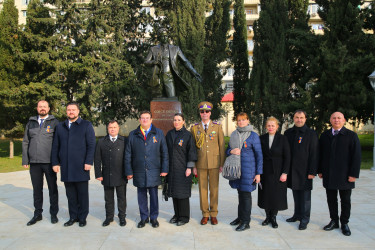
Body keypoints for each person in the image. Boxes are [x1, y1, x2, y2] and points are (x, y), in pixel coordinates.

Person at [51, 102, 96, 227]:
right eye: (69, 110)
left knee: (82, 194)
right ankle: (73, 217)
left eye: (73, 110)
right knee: (70, 194)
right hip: (66, 166)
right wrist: (55, 162)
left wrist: (88, 161)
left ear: (78, 111)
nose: (71, 112)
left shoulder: (86, 125)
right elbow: (55, 146)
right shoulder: (60, 126)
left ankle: (82, 217)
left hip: (81, 165)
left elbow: (91, 145)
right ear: (66, 112)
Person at [318, 112, 361, 236]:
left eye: (339, 118)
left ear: (344, 120)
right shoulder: (325, 135)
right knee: (331, 199)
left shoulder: (351, 135)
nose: (336, 120)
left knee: (345, 200)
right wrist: (320, 170)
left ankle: (344, 223)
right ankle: (334, 221)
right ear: (330, 120)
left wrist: (353, 174)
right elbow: (321, 155)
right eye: (334, 118)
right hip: (329, 174)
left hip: (345, 174)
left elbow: (356, 157)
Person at [125, 111, 169, 228]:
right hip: (139, 170)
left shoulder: (158, 133)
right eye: (142, 118)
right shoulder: (133, 134)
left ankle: (154, 218)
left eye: (147, 118)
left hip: (153, 170)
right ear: (139, 120)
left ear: (151, 120)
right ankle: (144, 218)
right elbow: (128, 154)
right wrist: (129, 171)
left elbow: (164, 152)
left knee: (154, 195)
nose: (145, 120)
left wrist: (164, 169)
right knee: (141, 196)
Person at [22, 100, 59, 226]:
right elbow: (25, 141)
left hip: (49, 162)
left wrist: (57, 162)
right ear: (37, 108)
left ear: (48, 108)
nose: (42, 108)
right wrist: (25, 159)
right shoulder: (31, 123)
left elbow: (58, 143)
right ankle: (37, 214)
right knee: (37, 190)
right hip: (34, 163)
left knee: (52, 189)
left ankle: (54, 214)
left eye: (44, 106)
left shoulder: (54, 122)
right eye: (40, 106)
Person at [226, 112, 263, 231]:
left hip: (249, 171)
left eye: (243, 120)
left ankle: (246, 221)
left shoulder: (253, 136)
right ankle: (240, 217)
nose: (241, 122)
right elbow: (227, 150)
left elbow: (259, 155)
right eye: (239, 120)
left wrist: (258, 173)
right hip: (236, 170)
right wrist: (231, 151)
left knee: (246, 196)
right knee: (240, 194)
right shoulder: (233, 134)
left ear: (248, 121)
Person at [191, 101, 225, 225]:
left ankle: (214, 213)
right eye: (202, 111)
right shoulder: (194, 128)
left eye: (207, 111)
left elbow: (221, 146)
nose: (204, 113)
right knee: (202, 190)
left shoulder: (217, 126)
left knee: (214, 189)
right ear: (200, 113)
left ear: (210, 113)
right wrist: (194, 165)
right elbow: (193, 148)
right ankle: (205, 214)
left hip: (215, 163)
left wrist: (222, 163)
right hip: (200, 164)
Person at [284, 110, 319, 230]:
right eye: (297, 117)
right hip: (292, 171)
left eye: (301, 118)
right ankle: (297, 215)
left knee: (305, 197)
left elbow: (314, 153)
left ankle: (304, 219)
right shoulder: (288, 133)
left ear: (305, 119)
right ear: (293, 118)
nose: (299, 120)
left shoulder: (311, 133)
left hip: (305, 171)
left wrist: (312, 171)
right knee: (295, 194)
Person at [145, 28, 202, 98]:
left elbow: (185, 62)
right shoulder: (153, 49)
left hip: (169, 76)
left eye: (166, 36)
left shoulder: (175, 49)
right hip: (157, 77)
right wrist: (153, 62)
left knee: (172, 99)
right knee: (158, 101)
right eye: (163, 36)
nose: (165, 37)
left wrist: (194, 73)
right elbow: (146, 62)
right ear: (159, 37)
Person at [258, 117, 290, 229]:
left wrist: (285, 173)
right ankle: (267, 217)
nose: (271, 127)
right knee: (266, 194)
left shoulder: (283, 139)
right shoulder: (261, 138)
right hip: (265, 171)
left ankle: (274, 217)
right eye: (269, 125)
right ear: (266, 127)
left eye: (273, 125)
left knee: (276, 195)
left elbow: (287, 157)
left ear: (277, 127)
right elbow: (258, 155)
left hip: (278, 171)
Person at [165, 113, 197, 226]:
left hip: (183, 169)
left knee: (182, 194)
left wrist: (189, 167)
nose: (176, 122)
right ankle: (177, 214)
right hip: (172, 169)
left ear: (183, 121)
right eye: (174, 120)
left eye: (179, 120)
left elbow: (192, 152)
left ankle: (184, 217)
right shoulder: (169, 134)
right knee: (174, 193)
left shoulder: (187, 135)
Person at [94, 120, 128, 227]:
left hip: (121, 174)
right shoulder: (101, 141)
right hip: (107, 174)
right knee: (108, 199)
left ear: (118, 128)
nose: (112, 129)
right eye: (110, 127)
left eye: (114, 127)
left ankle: (122, 217)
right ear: (107, 129)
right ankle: (109, 217)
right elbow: (97, 159)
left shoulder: (124, 141)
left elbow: (128, 158)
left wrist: (129, 172)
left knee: (121, 198)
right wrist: (98, 174)